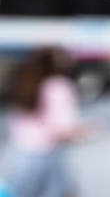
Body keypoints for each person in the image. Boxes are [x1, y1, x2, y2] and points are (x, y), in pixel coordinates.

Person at [4, 47, 85, 197]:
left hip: (21, 155)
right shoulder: (58, 86)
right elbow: (64, 129)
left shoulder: (25, 82)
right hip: (47, 155)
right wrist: (84, 131)